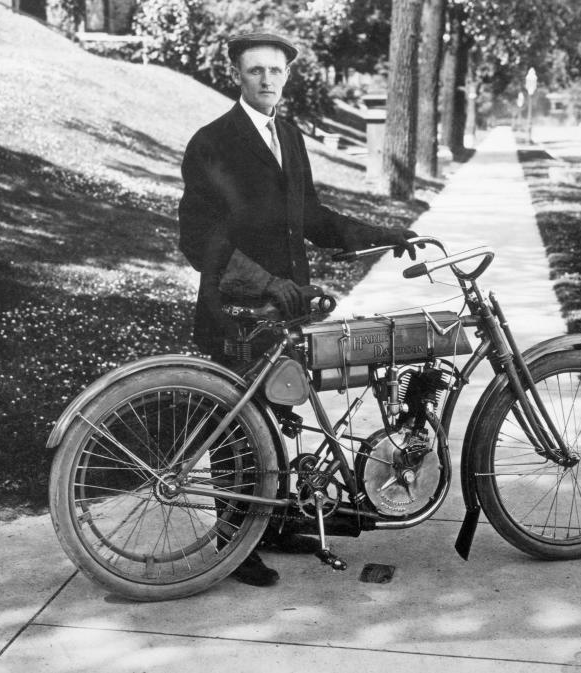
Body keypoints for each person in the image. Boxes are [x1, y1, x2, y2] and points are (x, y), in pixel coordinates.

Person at [178, 32, 418, 587]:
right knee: (236, 423)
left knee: (279, 415)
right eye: (256, 70)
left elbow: (310, 215)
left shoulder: (288, 133)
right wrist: (265, 283)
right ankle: (236, 542)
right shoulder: (213, 142)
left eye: (276, 71)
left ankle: (278, 522)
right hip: (236, 309)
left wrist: (379, 234)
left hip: (284, 313)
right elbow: (197, 237)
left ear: (288, 75)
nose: (267, 80)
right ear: (236, 74)